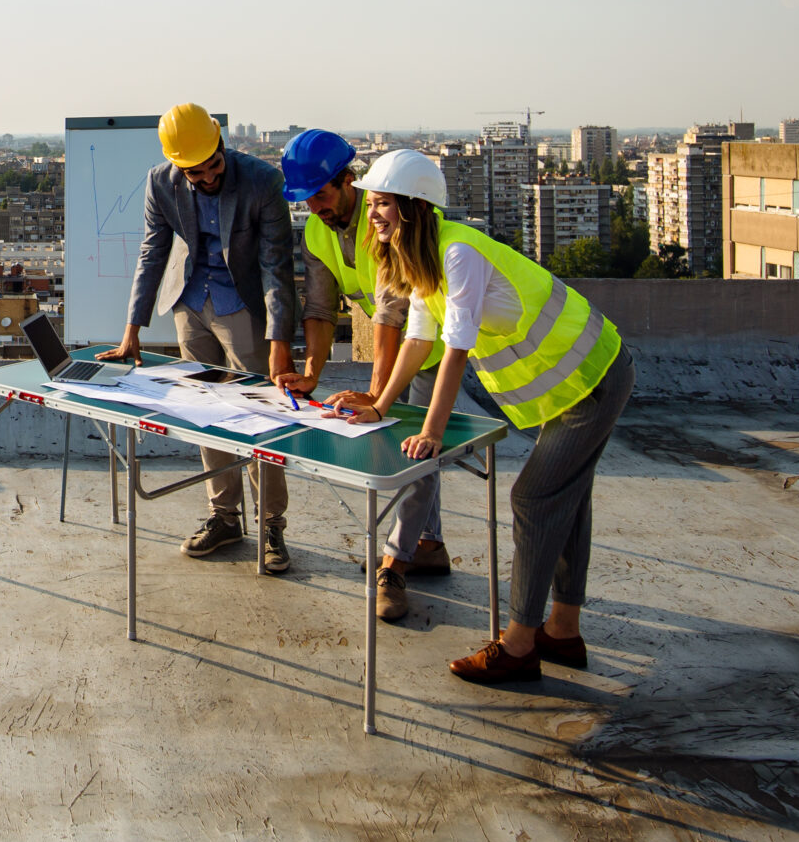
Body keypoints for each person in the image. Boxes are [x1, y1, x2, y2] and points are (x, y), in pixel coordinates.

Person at [323, 148, 636, 684]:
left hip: (595, 378)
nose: (371, 215)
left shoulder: (459, 254)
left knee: (534, 498)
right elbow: (419, 340)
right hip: (573, 386)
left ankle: (518, 646)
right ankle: (562, 632)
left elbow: (455, 351)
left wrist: (431, 432)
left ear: (415, 208)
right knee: (567, 501)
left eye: (382, 204)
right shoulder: (424, 263)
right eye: (371, 204)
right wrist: (380, 403)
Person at [101, 104, 300, 575]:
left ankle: (272, 524)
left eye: (215, 164)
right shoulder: (160, 182)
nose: (209, 176)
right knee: (207, 413)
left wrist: (277, 340)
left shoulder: (261, 181)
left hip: (243, 306)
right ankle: (225, 516)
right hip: (190, 304)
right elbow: (154, 252)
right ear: (177, 165)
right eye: (196, 171)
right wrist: (132, 331)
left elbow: (277, 266)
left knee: (260, 418)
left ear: (220, 144)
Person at [271, 130, 452, 622]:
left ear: (347, 181)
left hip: (428, 342)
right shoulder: (316, 231)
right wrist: (311, 372)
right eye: (306, 200)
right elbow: (320, 305)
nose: (316, 207)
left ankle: (394, 563)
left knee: (414, 450)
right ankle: (428, 544)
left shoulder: (382, 222)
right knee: (417, 453)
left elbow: (391, 313)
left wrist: (377, 394)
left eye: (322, 195)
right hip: (399, 337)